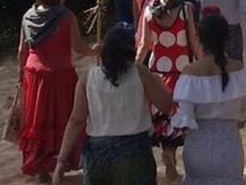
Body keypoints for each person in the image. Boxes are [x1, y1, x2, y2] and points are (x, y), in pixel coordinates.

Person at [53, 25, 172, 185]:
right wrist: (158, 83)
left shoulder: (88, 77)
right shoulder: (139, 72)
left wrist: (62, 160)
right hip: (135, 152)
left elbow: (76, 121)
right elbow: (166, 105)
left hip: (98, 153)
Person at [18, 0, 98, 181]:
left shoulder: (27, 16)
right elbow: (78, 47)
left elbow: (22, 50)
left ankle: (41, 167)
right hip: (60, 74)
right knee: (66, 118)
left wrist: (21, 76)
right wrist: (95, 51)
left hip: (33, 73)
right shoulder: (66, 16)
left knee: (38, 121)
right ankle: (62, 162)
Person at [172, 13, 246, 184]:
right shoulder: (238, 70)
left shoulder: (190, 73)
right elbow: (245, 112)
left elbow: (185, 119)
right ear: (227, 38)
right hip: (229, 147)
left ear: (199, 38)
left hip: (198, 147)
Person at [135, 0, 201, 180]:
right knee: (181, 116)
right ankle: (175, 155)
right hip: (182, 72)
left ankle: (166, 151)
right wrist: (204, 64)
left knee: (161, 117)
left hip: (157, 73)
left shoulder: (149, 10)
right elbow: (194, 42)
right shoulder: (186, 10)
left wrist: (134, 68)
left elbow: (144, 45)